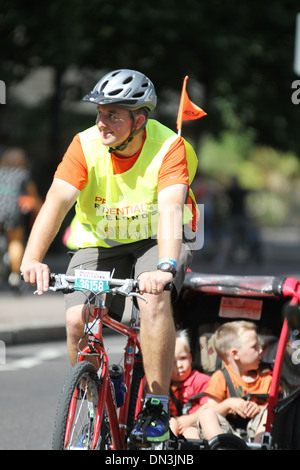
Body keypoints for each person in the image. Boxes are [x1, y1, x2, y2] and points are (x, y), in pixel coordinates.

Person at [20, 69, 199, 444]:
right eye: (99, 113)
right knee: (75, 319)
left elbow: (169, 211)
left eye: (113, 115)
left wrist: (165, 267)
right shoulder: (84, 145)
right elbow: (56, 202)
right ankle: (89, 395)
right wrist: (32, 258)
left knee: (152, 301)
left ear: (139, 120)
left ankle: (154, 405)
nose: (102, 123)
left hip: (154, 241)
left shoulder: (169, 147)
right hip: (99, 243)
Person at [198, 321, 272, 443]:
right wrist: (228, 404)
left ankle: (259, 446)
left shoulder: (267, 380)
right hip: (227, 432)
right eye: (255, 347)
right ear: (235, 354)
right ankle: (220, 446)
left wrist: (258, 408)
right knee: (206, 415)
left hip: (255, 432)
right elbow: (212, 409)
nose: (260, 351)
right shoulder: (220, 377)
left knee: (270, 411)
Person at [0, 147, 42, 290]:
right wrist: (40, 212)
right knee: (15, 242)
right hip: (12, 212)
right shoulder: (23, 174)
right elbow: (33, 196)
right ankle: (14, 275)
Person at [169, 330, 209, 439]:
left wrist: (191, 418)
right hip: (174, 422)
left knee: (191, 432)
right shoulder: (165, 386)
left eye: (183, 358)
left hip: (195, 423)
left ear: (190, 358)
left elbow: (210, 404)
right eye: (172, 362)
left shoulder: (200, 380)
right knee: (170, 423)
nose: (179, 365)